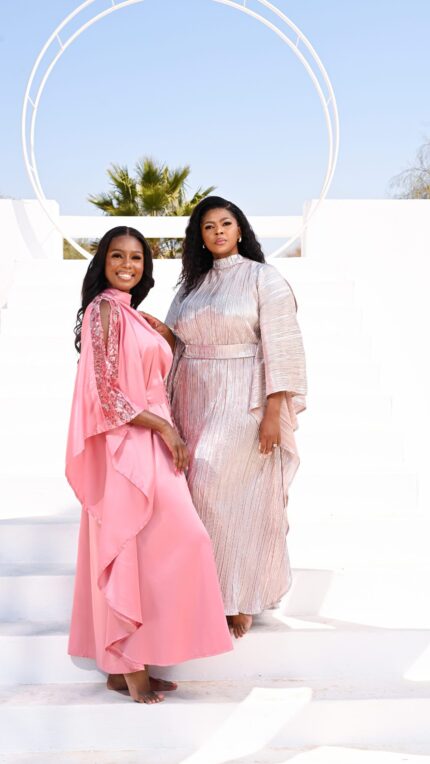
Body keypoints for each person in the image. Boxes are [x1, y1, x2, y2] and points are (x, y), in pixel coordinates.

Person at [66, 225, 232, 704]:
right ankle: (127, 667)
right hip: (127, 442)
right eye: (117, 256)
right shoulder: (102, 309)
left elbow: (154, 376)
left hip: (154, 438)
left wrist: (168, 337)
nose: (127, 265)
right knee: (133, 545)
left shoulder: (132, 315)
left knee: (167, 545)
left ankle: (129, 663)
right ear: (103, 262)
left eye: (136, 258)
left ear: (146, 266)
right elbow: (107, 393)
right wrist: (163, 428)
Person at [143, 197, 307, 640]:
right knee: (197, 495)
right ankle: (208, 592)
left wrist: (273, 411)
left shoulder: (262, 277)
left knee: (223, 487)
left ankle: (240, 598)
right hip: (193, 397)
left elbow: (282, 346)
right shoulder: (191, 285)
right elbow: (179, 342)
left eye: (226, 223)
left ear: (240, 229)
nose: (218, 232)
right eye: (208, 226)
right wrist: (161, 332)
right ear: (199, 235)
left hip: (244, 400)